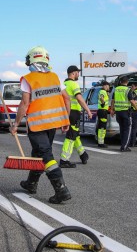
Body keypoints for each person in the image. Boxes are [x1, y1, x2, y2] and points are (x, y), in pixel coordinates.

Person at [12, 46, 72, 204]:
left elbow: (24, 104)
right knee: (38, 153)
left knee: (46, 155)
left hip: (37, 125)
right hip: (52, 124)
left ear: (31, 59)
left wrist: (16, 124)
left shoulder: (28, 79)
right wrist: (66, 120)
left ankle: (61, 190)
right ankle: (31, 183)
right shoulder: (55, 77)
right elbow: (67, 99)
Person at [60, 65, 93, 167]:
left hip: (65, 112)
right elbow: (79, 98)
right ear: (73, 73)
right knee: (70, 137)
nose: (78, 74)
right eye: (78, 72)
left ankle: (83, 154)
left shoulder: (64, 84)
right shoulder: (73, 84)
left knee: (75, 135)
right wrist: (88, 110)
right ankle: (64, 160)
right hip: (74, 113)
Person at [110, 75, 137, 152]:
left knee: (122, 129)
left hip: (118, 112)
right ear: (127, 82)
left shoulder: (116, 89)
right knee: (127, 129)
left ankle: (123, 145)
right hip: (126, 112)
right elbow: (131, 101)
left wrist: (112, 110)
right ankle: (124, 147)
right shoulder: (128, 90)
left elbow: (113, 100)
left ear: (120, 82)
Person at [96, 80, 110, 148]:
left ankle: (100, 142)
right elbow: (101, 97)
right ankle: (101, 143)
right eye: (108, 86)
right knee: (102, 127)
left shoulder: (104, 92)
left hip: (102, 111)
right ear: (105, 86)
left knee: (101, 127)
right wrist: (103, 103)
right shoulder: (102, 91)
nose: (108, 87)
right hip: (102, 111)